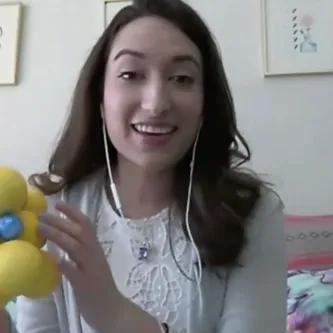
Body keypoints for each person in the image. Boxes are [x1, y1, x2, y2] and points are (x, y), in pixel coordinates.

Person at [0, 0, 287, 332]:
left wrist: (116, 315)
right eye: (130, 74)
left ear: (205, 101)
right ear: (100, 97)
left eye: (181, 78)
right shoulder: (53, 211)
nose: (156, 103)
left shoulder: (254, 214)